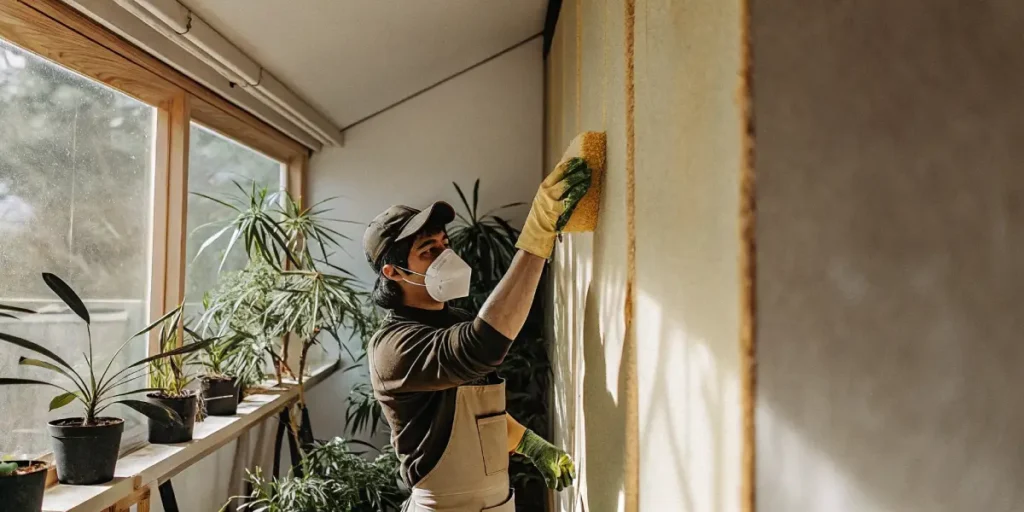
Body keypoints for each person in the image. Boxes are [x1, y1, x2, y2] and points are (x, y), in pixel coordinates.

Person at [362, 161, 592, 512]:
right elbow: (482, 347)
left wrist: (530, 444)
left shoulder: (454, 320)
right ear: (393, 273)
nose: (446, 255)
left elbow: (475, 413)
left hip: (496, 501)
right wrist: (537, 235)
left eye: (444, 243)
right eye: (428, 251)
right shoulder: (393, 347)